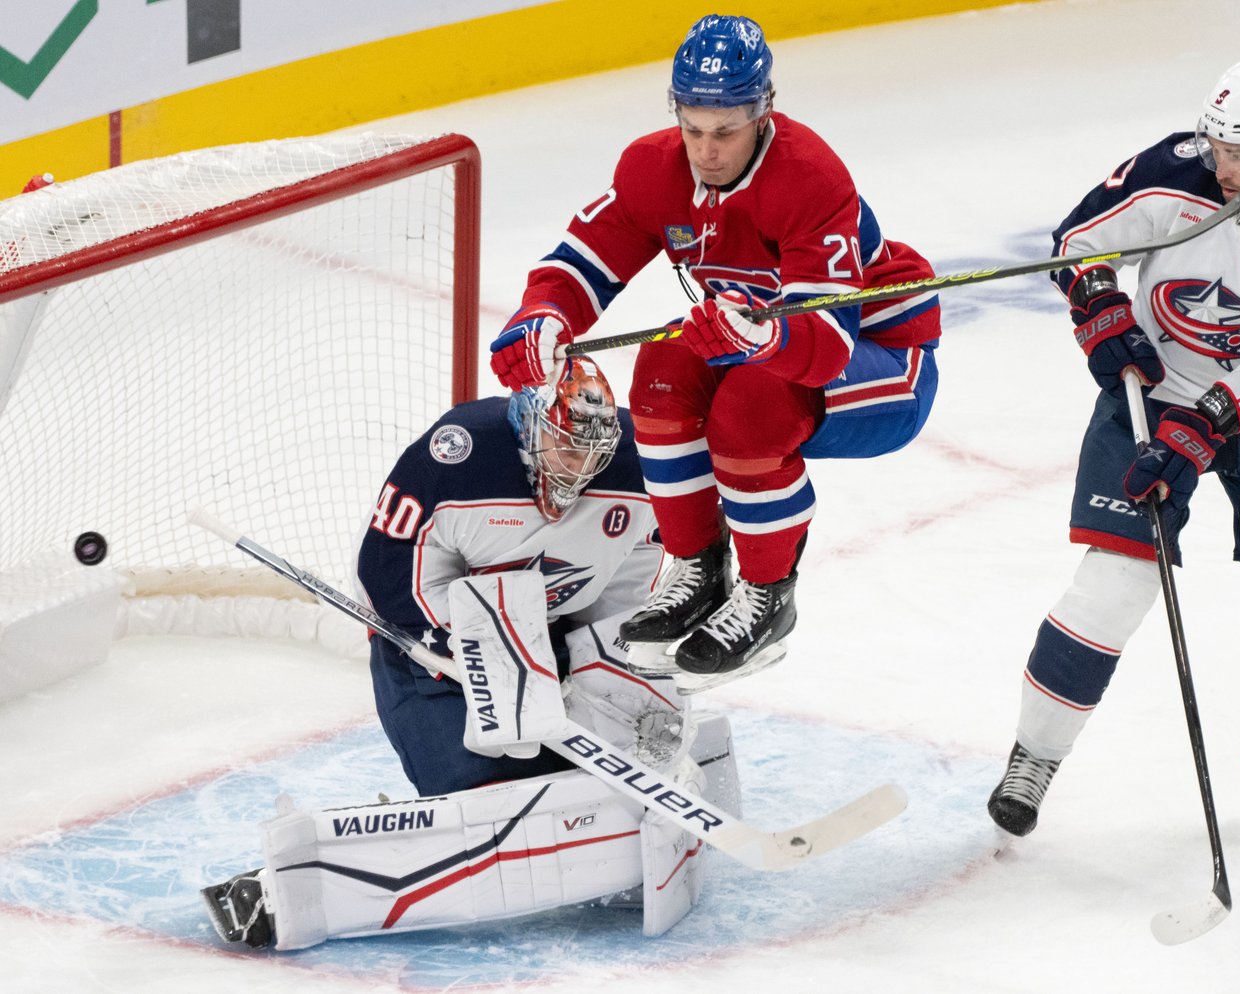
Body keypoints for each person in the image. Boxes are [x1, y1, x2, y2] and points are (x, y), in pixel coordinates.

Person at [201, 358, 741, 949]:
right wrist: (468, 650)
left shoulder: (642, 461)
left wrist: (590, 656)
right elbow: (386, 577)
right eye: (565, 449)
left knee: (616, 747)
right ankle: (300, 889)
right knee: (486, 789)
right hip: (433, 653)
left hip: (554, 632)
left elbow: (636, 563)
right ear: (532, 427)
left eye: (593, 454)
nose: (579, 468)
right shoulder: (456, 456)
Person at [489, 13, 942, 689]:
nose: (706, 149)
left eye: (725, 131)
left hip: (881, 356)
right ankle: (699, 569)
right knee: (661, 375)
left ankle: (767, 593)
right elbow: (581, 264)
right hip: (765, 338)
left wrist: (763, 337)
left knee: (750, 408)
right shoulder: (653, 168)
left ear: (763, 111)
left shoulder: (809, 175)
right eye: (693, 127)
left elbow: (822, 348)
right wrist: (544, 317)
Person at [986, 56, 1240, 843]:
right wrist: (1097, 305)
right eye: (1218, 147)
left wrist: (1196, 436)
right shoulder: (1177, 171)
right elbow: (1079, 241)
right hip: (1152, 396)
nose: (1223, 166)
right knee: (1114, 586)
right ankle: (1034, 756)